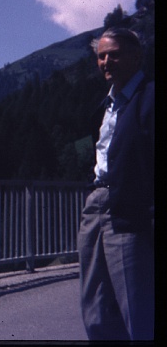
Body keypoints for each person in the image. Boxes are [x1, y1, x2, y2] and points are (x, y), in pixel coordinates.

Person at [78, 27, 154, 341]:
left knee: (137, 308)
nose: (107, 61)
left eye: (115, 54)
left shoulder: (150, 98)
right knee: (95, 307)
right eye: (101, 56)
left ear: (137, 57)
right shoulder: (104, 107)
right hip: (95, 206)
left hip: (132, 210)